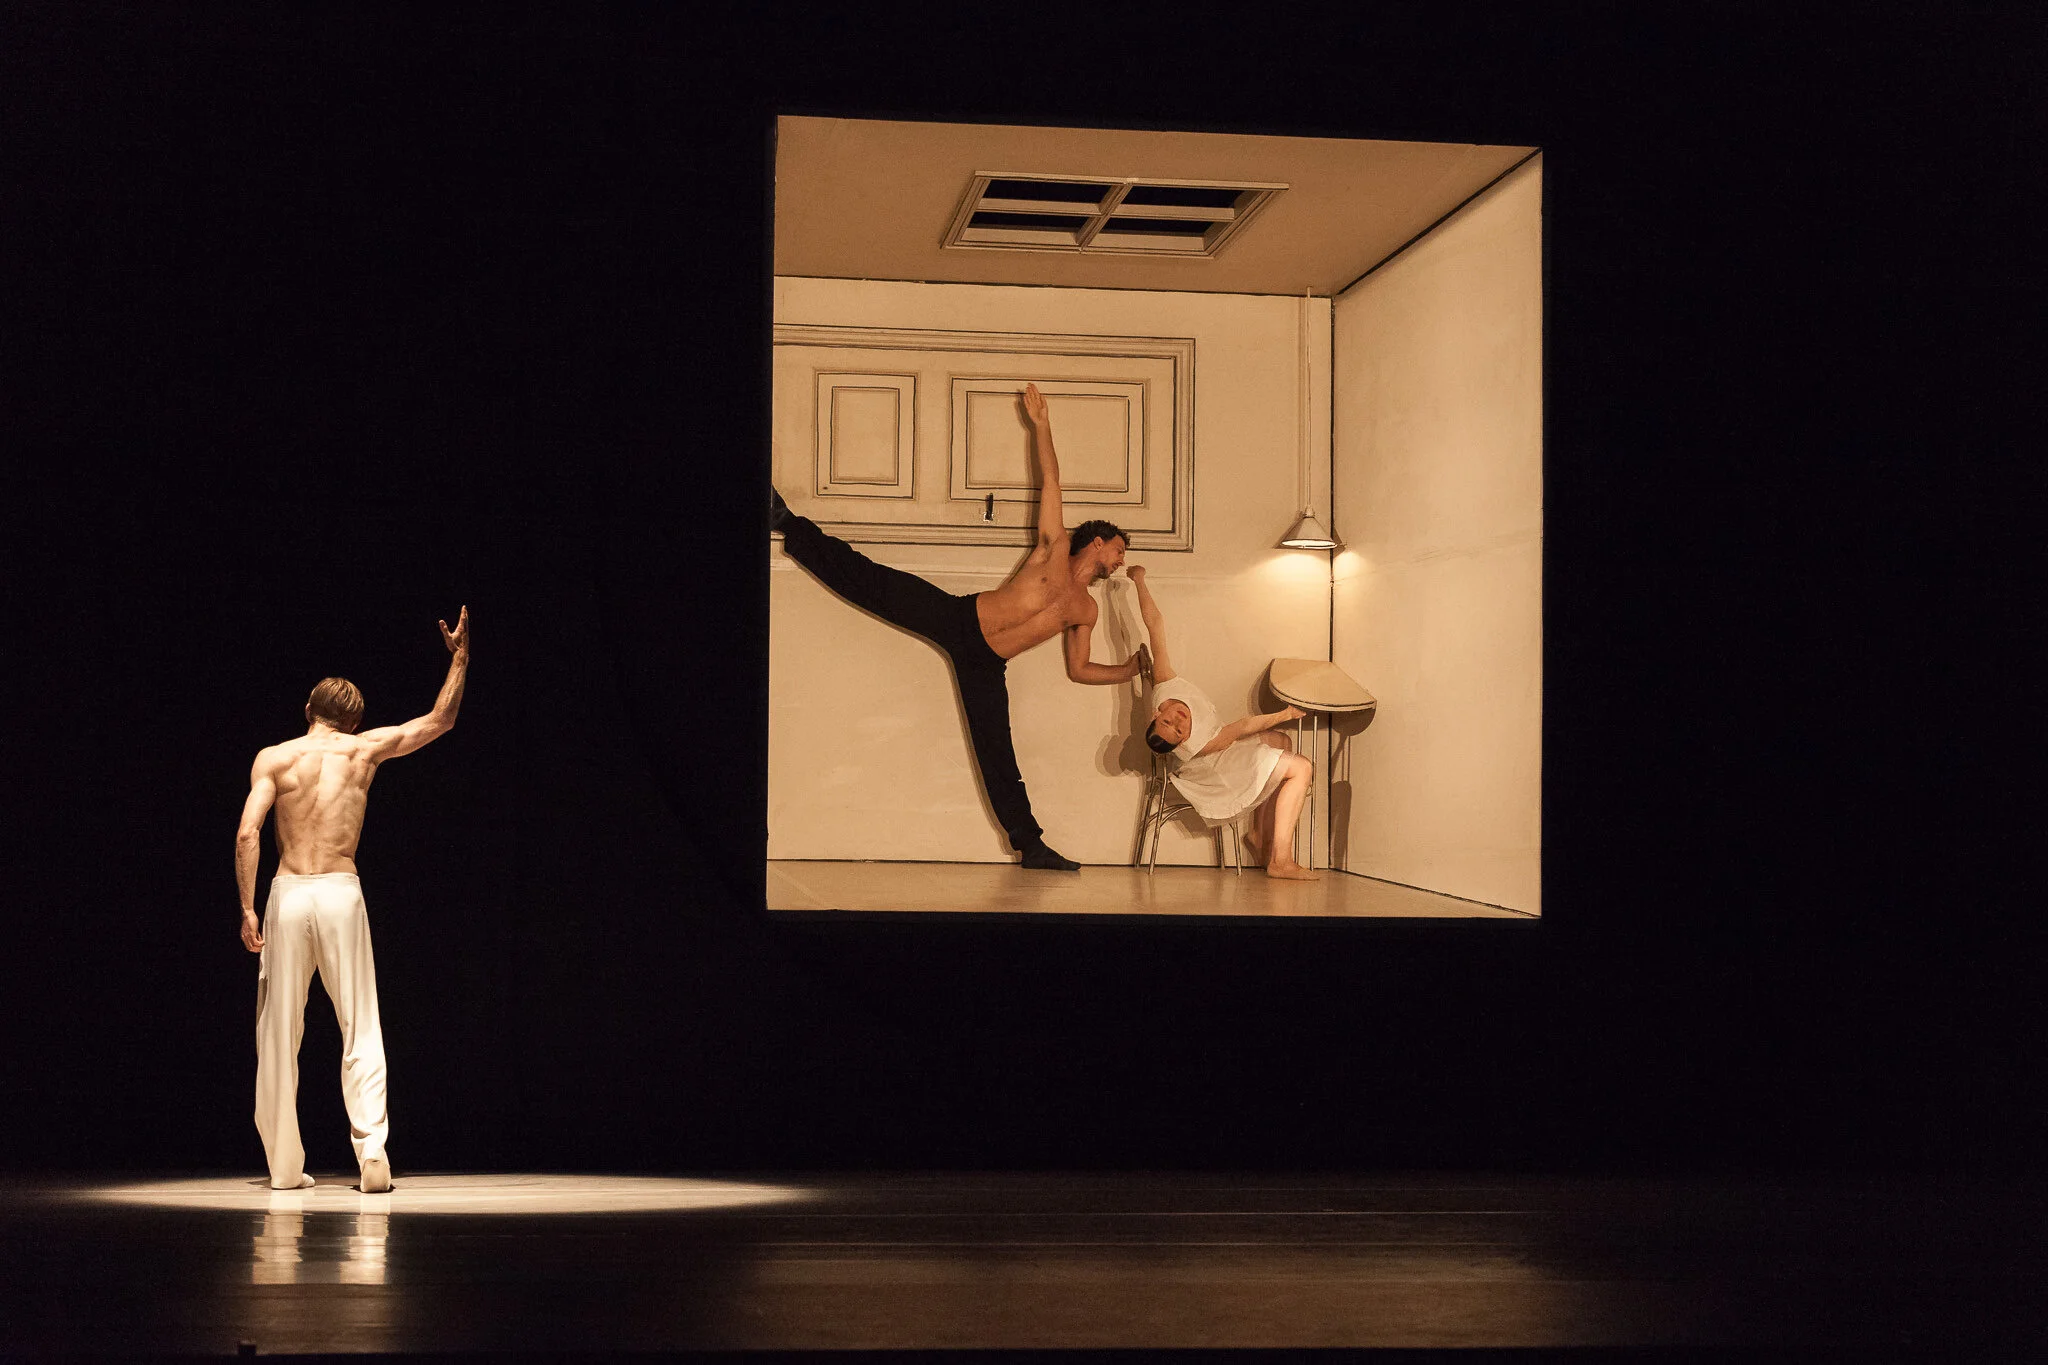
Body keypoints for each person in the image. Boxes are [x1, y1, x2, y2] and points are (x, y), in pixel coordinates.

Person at [773, 383, 1140, 870]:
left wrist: (1128, 669)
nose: (1121, 560)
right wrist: (1042, 424)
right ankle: (787, 521)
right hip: (959, 618)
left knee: (999, 755)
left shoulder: (1086, 610)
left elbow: (1080, 669)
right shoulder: (1052, 549)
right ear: (1098, 542)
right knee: (871, 581)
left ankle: (1031, 846)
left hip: (986, 663)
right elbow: (1051, 480)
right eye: (1119, 550)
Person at [234, 606, 471, 1192]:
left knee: (278, 1031)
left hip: (289, 893)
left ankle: (283, 1167)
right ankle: (372, 1153)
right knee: (360, 1023)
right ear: (354, 721)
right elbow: (440, 719)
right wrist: (460, 658)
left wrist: (247, 908)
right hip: (341, 892)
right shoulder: (362, 752)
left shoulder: (275, 757)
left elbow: (247, 834)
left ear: (308, 711)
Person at [1130, 568, 1318, 880]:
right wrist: (1286, 713)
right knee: (1301, 767)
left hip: (1220, 751)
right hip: (1212, 771)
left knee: (1281, 741)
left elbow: (1154, 623)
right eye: (1179, 731)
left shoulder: (1164, 685)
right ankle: (1281, 860)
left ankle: (1258, 836)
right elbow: (1243, 728)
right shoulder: (1200, 743)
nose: (1179, 719)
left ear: (1156, 713)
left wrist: (1139, 581)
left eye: (1169, 720)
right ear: (1183, 741)